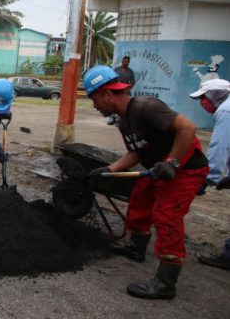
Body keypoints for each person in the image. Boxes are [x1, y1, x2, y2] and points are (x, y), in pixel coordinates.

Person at [83, 65, 209, 300]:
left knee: (167, 215)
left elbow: (188, 128)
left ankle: (165, 282)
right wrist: (108, 170)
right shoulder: (124, 122)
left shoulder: (146, 107)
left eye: (94, 99)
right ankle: (136, 246)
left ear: (107, 93)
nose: (95, 106)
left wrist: (173, 163)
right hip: (158, 166)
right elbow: (136, 153)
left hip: (185, 168)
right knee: (140, 197)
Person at [189, 78, 230, 271]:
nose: (202, 103)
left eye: (204, 98)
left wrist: (209, 176)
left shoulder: (225, 110)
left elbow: (221, 145)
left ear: (215, 96)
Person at [108, 56, 136, 125]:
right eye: (125, 61)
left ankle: (122, 121)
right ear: (122, 61)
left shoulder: (130, 71)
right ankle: (112, 119)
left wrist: (128, 89)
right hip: (116, 91)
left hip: (125, 92)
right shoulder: (116, 70)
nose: (126, 63)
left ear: (129, 62)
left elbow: (133, 82)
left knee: (125, 106)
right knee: (113, 105)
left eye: (128, 62)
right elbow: (112, 80)